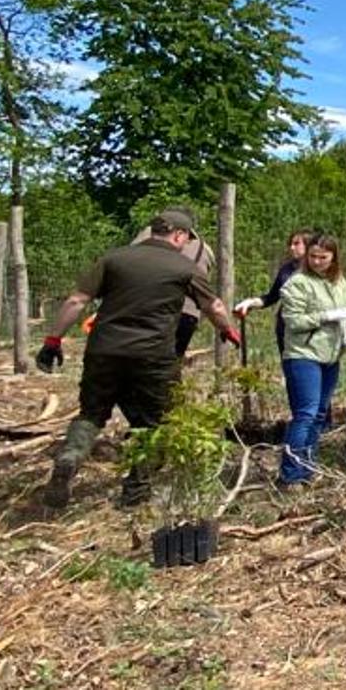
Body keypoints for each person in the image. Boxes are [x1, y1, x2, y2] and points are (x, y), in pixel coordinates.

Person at [35, 208, 241, 509]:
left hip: (103, 350)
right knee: (157, 420)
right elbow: (215, 307)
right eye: (186, 238)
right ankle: (136, 489)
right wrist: (228, 330)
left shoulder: (114, 258)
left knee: (91, 413)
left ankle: (69, 458)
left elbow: (77, 300)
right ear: (180, 235)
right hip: (153, 356)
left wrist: (52, 341)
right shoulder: (185, 267)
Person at [275, 233, 346, 489]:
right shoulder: (297, 283)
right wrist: (325, 316)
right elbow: (293, 321)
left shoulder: (339, 282)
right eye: (313, 257)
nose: (318, 261)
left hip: (331, 355)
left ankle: (308, 467)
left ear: (334, 257)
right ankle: (290, 474)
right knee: (305, 414)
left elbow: (344, 318)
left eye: (324, 257)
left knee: (320, 414)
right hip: (303, 354)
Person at [130, 213, 215, 357]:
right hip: (187, 315)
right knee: (169, 365)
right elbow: (205, 292)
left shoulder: (147, 235)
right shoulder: (205, 249)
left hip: (150, 310)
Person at [233, 228, 318, 352]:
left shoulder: (318, 271)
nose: (292, 248)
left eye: (296, 244)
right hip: (285, 328)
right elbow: (271, 297)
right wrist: (250, 303)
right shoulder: (286, 269)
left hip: (310, 330)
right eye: (290, 244)